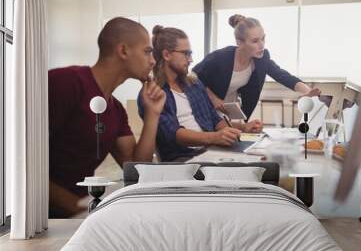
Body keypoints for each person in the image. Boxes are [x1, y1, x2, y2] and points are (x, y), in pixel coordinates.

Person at [48, 17, 166, 218]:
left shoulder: (116, 110)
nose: (153, 61)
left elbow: (137, 171)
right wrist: (80, 210)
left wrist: (153, 115)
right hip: (40, 217)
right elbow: (22, 165)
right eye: (147, 52)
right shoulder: (64, 83)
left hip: (77, 213)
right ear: (123, 51)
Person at [137, 26, 262, 162]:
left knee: (258, 158)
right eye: (186, 54)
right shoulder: (154, 94)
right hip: (182, 158)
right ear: (166, 55)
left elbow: (215, 120)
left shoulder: (194, 84)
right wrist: (215, 137)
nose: (190, 60)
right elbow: (173, 134)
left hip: (209, 150)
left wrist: (243, 128)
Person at [192, 14, 321, 119]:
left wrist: (307, 91)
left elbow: (283, 76)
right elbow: (193, 76)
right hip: (205, 107)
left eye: (263, 39)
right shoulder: (220, 57)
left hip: (230, 112)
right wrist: (213, 99)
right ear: (240, 42)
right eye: (255, 41)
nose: (261, 45)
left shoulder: (262, 58)